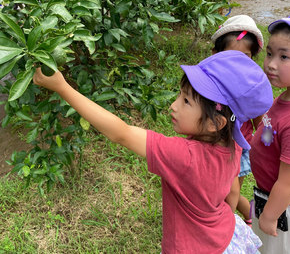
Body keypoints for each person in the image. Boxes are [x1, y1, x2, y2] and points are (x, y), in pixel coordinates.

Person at [33, 50, 273, 253]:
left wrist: (62, 88)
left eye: (186, 101)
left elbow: (121, 133)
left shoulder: (185, 156)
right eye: (180, 95)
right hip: (224, 236)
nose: (174, 105)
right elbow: (231, 188)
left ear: (216, 123)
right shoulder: (233, 144)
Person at [250, 9, 290, 254]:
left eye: (284, 57)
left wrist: (270, 216)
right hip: (266, 198)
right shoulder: (283, 100)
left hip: (285, 212)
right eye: (269, 53)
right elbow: (269, 137)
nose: (270, 64)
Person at [211, 15, 264, 226]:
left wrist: (267, 149)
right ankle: (249, 213)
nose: (237, 63)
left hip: (237, 148)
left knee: (230, 191)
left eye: (245, 57)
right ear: (215, 54)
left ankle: (227, 228)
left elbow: (260, 124)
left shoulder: (251, 89)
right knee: (217, 191)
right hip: (211, 145)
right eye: (230, 55)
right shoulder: (207, 83)